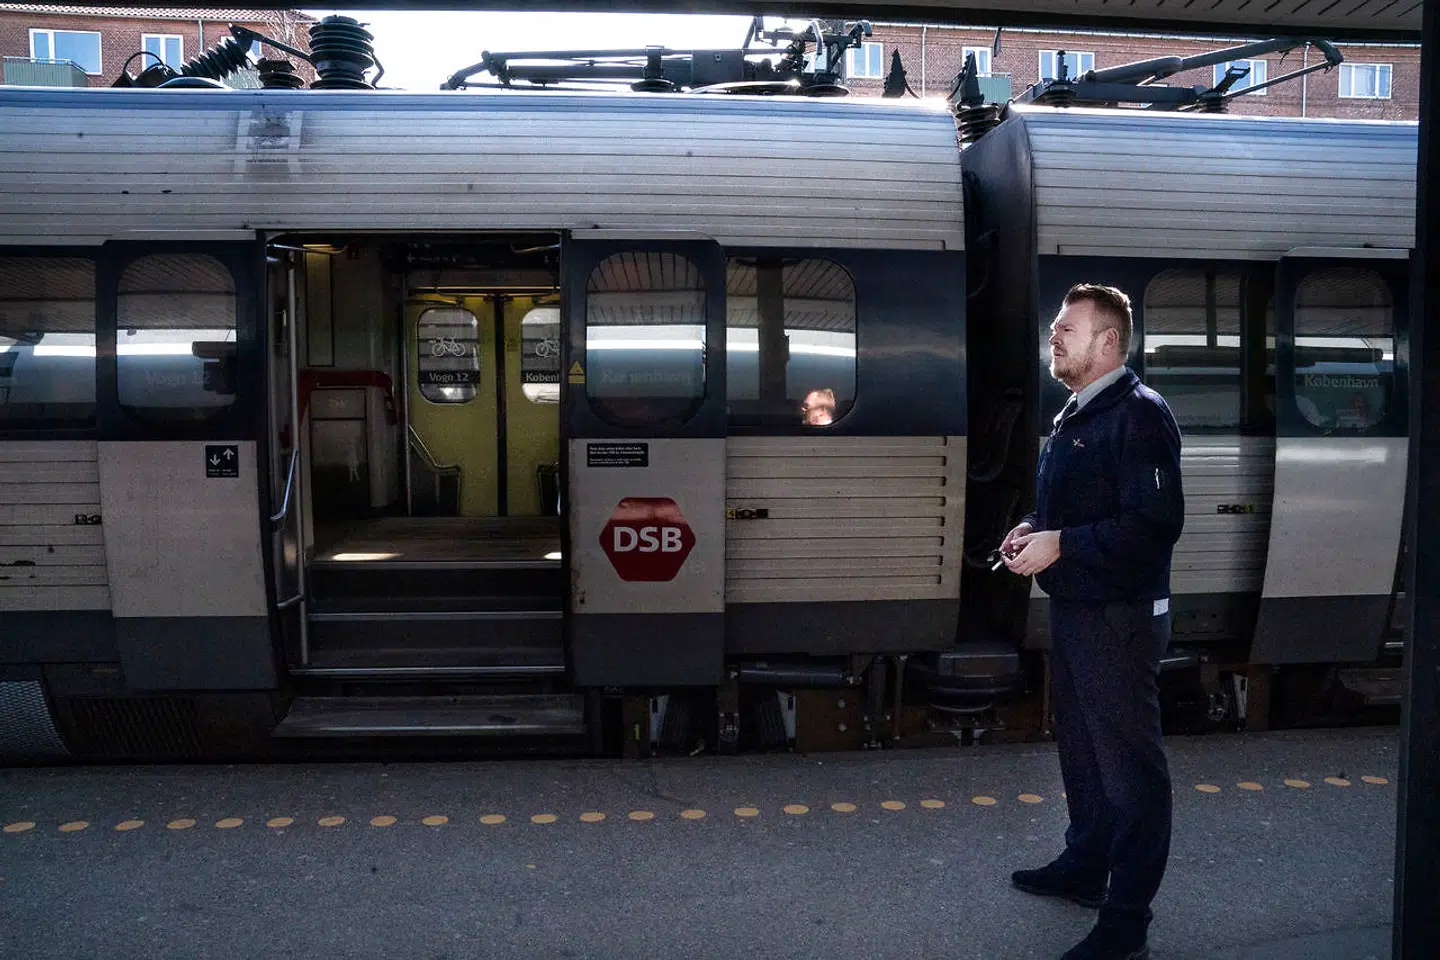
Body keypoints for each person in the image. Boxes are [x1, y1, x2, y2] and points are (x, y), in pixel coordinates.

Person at [1001, 283, 1184, 960]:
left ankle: (1126, 921)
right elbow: (1070, 505)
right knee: (1082, 753)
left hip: (1120, 618)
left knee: (1131, 772)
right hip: (1080, 610)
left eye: (1068, 329)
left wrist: (1064, 544)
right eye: (1055, 327)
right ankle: (1085, 866)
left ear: (1109, 342)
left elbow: (1156, 523)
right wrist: (1030, 529)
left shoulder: (1139, 414)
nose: (1055, 336)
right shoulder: (1077, 413)